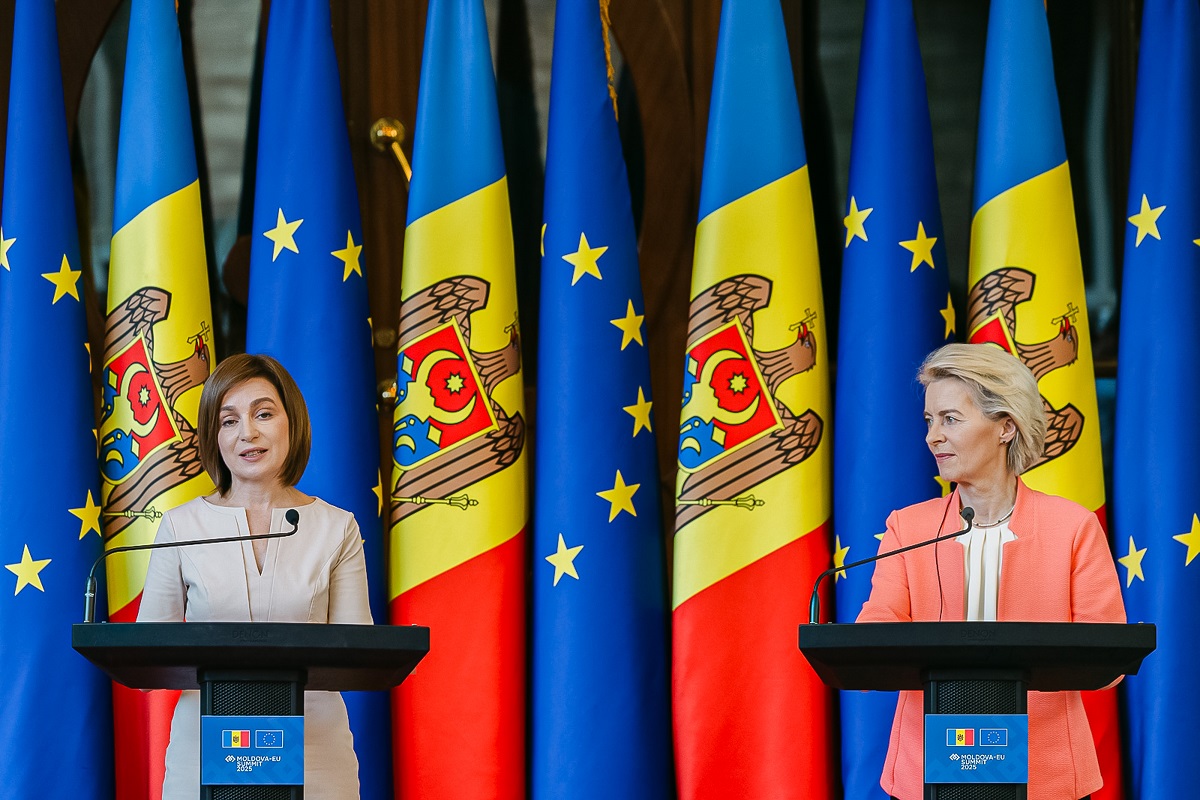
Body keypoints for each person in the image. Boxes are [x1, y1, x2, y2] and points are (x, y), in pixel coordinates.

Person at [857, 343, 1124, 800]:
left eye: (950, 419)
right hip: (928, 771)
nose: (933, 437)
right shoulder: (908, 527)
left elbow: (1107, 655)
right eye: (929, 420)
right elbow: (875, 632)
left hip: (1045, 773)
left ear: (1005, 427)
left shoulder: (1072, 527)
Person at [138, 353, 372, 798]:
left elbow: (357, 654)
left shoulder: (337, 527)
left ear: (292, 422)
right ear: (214, 436)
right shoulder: (181, 526)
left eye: (263, 413)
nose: (247, 432)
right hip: (205, 750)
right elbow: (149, 657)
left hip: (315, 753)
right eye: (229, 421)